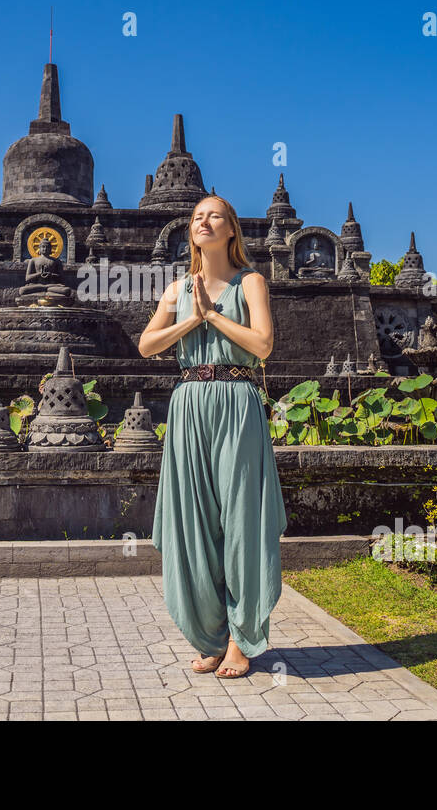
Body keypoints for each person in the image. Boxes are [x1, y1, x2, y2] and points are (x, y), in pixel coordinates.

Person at [138, 194, 287, 679]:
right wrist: (191, 315)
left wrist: (214, 315)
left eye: (214, 216)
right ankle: (211, 637)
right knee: (193, 522)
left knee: (241, 519)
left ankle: (244, 640)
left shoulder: (251, 283)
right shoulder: (177, 287)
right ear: (192, 232)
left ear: (231, 232)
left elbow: (262, 345)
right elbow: (147, 346)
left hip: (237, 401)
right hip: (188, 403)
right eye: (197, 217)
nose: (204, 221)